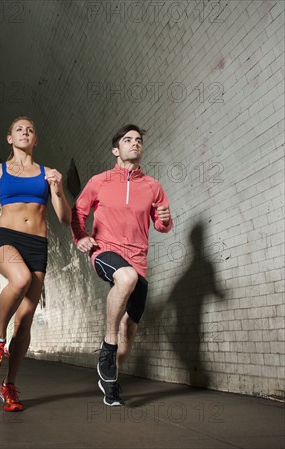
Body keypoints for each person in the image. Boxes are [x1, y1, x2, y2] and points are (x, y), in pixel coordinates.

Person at [0, 117, 71, 412]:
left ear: (35, 140)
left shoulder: (48, 174)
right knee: (20, 279)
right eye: (19, 129)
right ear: (9, 138)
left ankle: (8, 385)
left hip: (37, 245)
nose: (25, 132)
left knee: (25, 320)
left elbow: (64, 218)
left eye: (30, 130)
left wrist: (58, 188)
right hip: (6, 239)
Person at [71, 124, 173, 406]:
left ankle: (110, 379)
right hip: (106, 250)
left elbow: (162, 225)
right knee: (125, 278)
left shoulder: (153, 186)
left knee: (129, 334)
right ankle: (107, 343)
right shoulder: (99, 181)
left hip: (138, 258)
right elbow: (78, 211)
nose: (134, 144)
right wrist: (81, 237)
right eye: (128, 140)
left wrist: (163, 217)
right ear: (116, 150)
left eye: (138, 140)